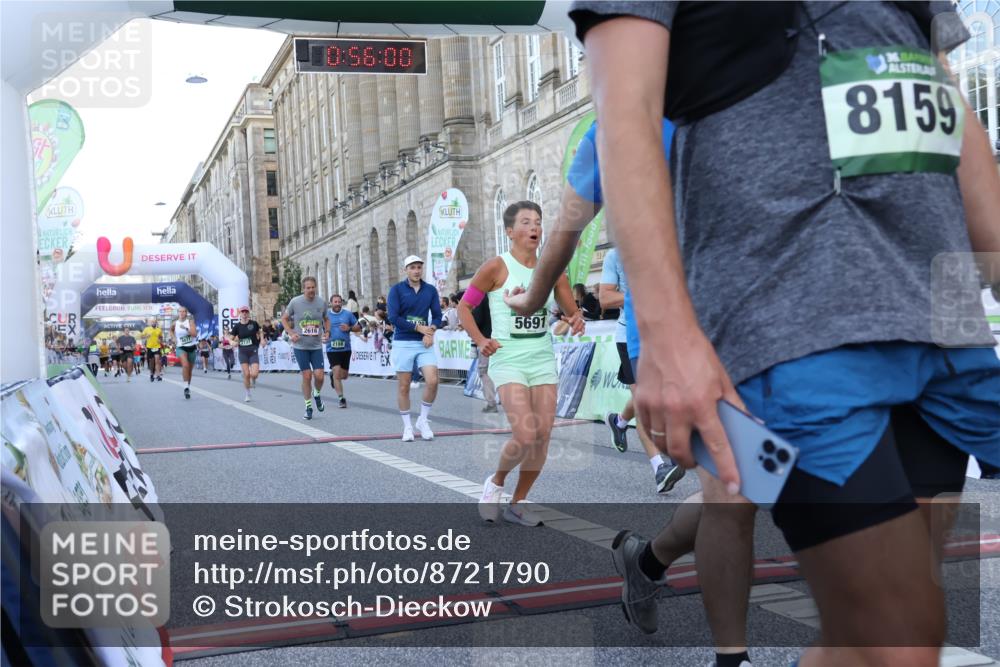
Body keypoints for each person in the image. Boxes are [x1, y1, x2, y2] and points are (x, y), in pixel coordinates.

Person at [570, 3, 1000, 666]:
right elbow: (623, 108)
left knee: (894, 629)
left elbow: (939, 92)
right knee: (896, 638)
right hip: (785, 314)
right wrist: (666, 333)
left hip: (936, 317)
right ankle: (726, 648)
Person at [505, 115, 756, 664]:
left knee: (754, 490)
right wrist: (533, 297)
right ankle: (732, 657)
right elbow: (567, 233)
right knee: (733, 495)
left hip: (767, 326)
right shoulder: (622, 116)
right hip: (677, 336)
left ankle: (646, 563)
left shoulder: (764, 83)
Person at [462, 201, 584, 527]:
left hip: (542, 356)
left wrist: (576, 318)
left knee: (543, 435)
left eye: (538, 222)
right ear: (510, 232)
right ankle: (496, 483)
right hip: (508, 358)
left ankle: (518, 503)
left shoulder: (551, 267)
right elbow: (463, 309)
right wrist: (480, 340)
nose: (535, 228)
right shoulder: (495, 268)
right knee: (526, 434)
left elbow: (570, 308)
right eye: (527, 222)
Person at [601, 246, 684, 493]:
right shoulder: (615, 255)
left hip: (661, 334)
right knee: (645, 400)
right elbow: (605, 298)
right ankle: (659, 468)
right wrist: (637, 295)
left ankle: (619, 421)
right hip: (629, 336)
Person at [387, 255, 443, 442]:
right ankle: (407, 427)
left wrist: (431, 331)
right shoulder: (396, 290)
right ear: (406, 270)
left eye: (419, 267)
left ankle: (423, 420)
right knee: (404, 386)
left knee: (433, 381)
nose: (416, 270)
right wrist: (420, 329)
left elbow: (437, 316)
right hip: (403, 342)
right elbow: (394, 318)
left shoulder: (430, 290)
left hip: (424, 343)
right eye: (412, 267)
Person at [282, 276, 330, 420]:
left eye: (312, 287)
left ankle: (316, 393)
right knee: (307, 375)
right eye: (308, 288)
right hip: (300, 346)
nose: (310, 290)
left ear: (316, 287)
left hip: (316, 346)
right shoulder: (295, 302)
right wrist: (291, 333)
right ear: (303, 289)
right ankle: (308, 405)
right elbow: (284, 318)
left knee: (320, 376)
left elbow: (326, 319)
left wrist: (327, 332)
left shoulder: (321, 302)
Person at [326, 294, 361, 408]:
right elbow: (320, 330)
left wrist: (349, 328)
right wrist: (322, 337)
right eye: (335, 302)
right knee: (337, 372)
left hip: (346, 348)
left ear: (342, 303)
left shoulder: (348, 314)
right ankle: (341, 398)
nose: (337, 304)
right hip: (332, 349)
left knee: (344, 376)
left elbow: (358, 327)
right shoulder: (325, 316)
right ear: (331, 303)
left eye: (339, 302)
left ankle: (333, 376)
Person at [470, 296, 499, 413]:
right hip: (505, 338)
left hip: (487, 339)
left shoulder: (483, 297)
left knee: (484, 371)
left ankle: (491, 403)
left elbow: (477, 320)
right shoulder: (504, 294)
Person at [229, 306, 262, 402]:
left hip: (253, 350)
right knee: (247, 374)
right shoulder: (237, 326)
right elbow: (229, 337)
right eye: (242, 312)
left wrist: (262, 339)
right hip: (243, 352)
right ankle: (248, 394)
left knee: (254, 374)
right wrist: (231, 342)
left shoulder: (253, 323)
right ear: (240, 313)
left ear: (248, 313)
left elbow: (260, 331)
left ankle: (253, 378)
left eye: (246, 312)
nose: (244, 313)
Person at [173, 307, 198, 399]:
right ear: (178, 313)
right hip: (181, 347)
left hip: (191, 347)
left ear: (186, 313)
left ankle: (188, 386)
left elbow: (194, 334)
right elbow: (171, 331)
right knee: (185, 365)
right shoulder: (175, 323)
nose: (182, 313)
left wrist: (186, 329)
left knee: (189, 371)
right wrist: (174, 338)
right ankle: (186, 387)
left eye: (184, 311)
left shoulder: (190, 322)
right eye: (180, 311)